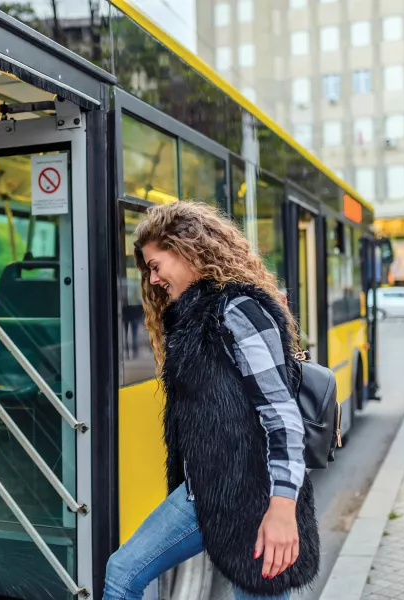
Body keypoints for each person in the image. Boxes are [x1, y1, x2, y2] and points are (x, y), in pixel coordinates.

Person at [103, 202, 318, 600]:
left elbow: (282, 416)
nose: (153, 279)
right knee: (122, 573)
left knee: (126, 575)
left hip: (252, 495)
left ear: (187, 249)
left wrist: (283, 508)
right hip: (205, 491)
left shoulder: (239, 311)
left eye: (155, 265)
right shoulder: (194, 317)